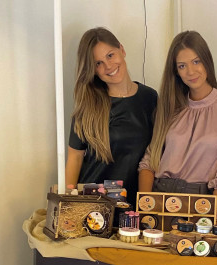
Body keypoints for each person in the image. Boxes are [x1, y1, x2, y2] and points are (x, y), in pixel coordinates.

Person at [138, 31, 217, 217]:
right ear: (176, 71)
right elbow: (149, 161)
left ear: (207, 61)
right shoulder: (169, 107)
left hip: (200, 202)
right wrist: (144, 209)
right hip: (159, 197)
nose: (191, 72)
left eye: (196, 61)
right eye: (182, 66)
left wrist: (207, 220)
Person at [66, 27, 157, 200]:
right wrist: (68, 201)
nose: (108, 66)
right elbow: (74, 158)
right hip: (93, 204)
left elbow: (156, 152)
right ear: (93, 70)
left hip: (135, 204)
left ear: (122, 50)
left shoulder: (150, 98)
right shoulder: (88, 106)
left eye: (110, 55)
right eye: (98, 63)